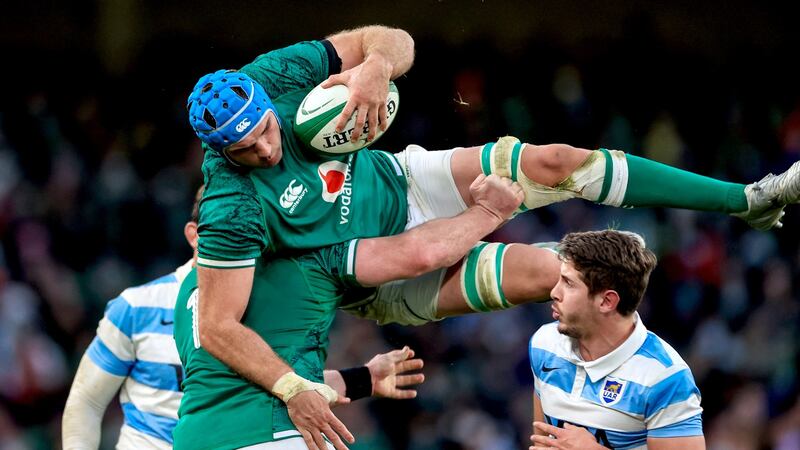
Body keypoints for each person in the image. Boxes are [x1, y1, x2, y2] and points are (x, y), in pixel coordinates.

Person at [173, 173, 526, 450]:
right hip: (270, 437)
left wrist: (364, 379)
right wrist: (488, 212)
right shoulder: (291, 266)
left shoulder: (188, 298)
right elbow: (420, 254)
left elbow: (255, 382)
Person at [61, 187, 427, 450]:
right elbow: (87, 403)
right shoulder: (137, 306)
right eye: (225, 226)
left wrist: (363, 379)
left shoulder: (262, 301)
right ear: (194, 235)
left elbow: (266, 386)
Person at [528, 230, 705, 450]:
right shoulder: (544, 343)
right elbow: (542, 442)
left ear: (607, 301)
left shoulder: (664, 377)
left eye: (568, 283)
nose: (554, 292)